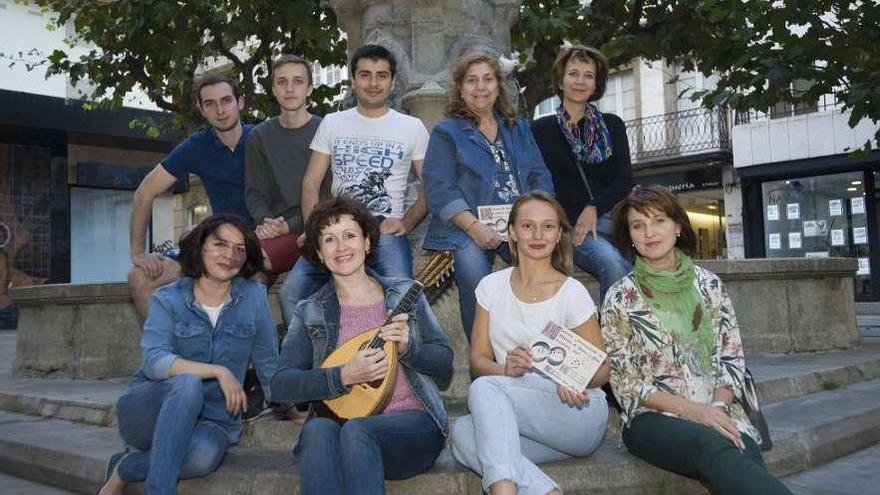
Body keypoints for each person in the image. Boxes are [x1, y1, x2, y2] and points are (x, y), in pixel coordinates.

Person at [601, 185, 792, 495]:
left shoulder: (710, 285)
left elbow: (731, 360)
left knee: (744, 451)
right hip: (651, 418)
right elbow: (627, 385)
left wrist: (715, 408)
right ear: (630, 236)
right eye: (638, 225)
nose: (649, 232)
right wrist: (698, 414)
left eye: (659, 220)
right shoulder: (620, 297)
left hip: (718, 406)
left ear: (678, 226)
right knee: (713, 443)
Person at [271, 197, 453, 495]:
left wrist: (410, 349)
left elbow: (444, 362)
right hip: (340, 421)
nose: (341, 247)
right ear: (318, 253)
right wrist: (342, 376)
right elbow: (280, 386)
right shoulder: (310, 310)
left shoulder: (404, 293)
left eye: (350, 235)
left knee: (358, 429)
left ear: (368, 243)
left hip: (411, 428)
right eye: (329, 239)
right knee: (317, 430)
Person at [98, 214, 279, 495]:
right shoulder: (167, 298)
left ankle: (127, 467)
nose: (229, 255)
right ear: (200, 246)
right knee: (187, 383)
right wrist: (218, 371)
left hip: (215, 419)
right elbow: (154, 361)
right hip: (150, 412)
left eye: (239, 249)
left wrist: (292, 411)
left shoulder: (254, 297)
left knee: (202, 459)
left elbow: (269, 363)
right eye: (220, 244)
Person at [451, 191, 609, 495]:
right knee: (462, 433)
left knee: (484, 388)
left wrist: (579, 379)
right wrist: (506, 369)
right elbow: (478, 359)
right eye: (527, 226)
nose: (538, 235)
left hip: (576, 412)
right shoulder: (491, 287)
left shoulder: (571, 291)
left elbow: (603, 369)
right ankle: (543, 490)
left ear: (559, 233)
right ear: (511, 231)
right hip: (527, 421)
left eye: (548, 226)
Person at [279, 44, 429, 325]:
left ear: (392, 81)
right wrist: (314, 229)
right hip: (336, 227)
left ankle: (402, 364)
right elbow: (311, 181)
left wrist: (407, 223)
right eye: (365, 75)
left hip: (383, 229)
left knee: (402, 294)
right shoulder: (333, 123)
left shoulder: (412, 127)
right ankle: (313, 363)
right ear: (353, 79)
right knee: (291, 292)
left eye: (381, 75)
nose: (373, 83)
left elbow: (432, 185)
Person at [422, 52, 555, 341]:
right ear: (460, 88)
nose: (480, 87)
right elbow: (439, 188)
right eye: (472, 81)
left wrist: (536, 220)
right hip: (466, 227)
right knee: (475, 276)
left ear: (498, 85)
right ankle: (482, 360)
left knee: (548, 269)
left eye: (487, 79)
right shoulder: (446, 132)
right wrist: (474, 227)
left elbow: (539, 174)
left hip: (519, 222)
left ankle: (542, 349)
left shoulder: (518, 127)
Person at [127, 74, 254, 319]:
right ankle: (165, 355)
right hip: (217, 245)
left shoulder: (262, 138)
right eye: (210, 104)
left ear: (240, 102)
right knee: (138, 277)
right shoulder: (196, 146)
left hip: (260, 244)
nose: (220, 110)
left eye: (226, 100)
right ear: (201, 109)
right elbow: (144, 192)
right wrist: (137, 253)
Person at [532, 45, 632, 305]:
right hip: (570, 227)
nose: (580, 81)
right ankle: (609, 339)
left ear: (596, 84)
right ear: (561, 81)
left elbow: (624, 180)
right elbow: (538, 183)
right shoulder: (540, 129)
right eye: (573, 73)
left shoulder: (612, 125)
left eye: (589, 76)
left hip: (614, 221)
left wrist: (594, 207)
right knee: (613, 265)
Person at [246, 54, 323, 289]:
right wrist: (266, 221)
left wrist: (287, 226)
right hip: (272, 229)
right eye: (282, 82)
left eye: (298, 81)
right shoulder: (259, 136)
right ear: (274, 89)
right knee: (239, 267)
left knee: (251, 259)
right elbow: (254, 192)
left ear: (309, 88)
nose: (290, 89)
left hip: (313, 227)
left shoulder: (326, 131)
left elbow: (329, 195)